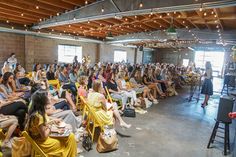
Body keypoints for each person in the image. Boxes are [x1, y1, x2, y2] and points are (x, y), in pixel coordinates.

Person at [26, 90, 77, 156]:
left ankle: (72, 154)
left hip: (42, 138)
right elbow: (44, 136)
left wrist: (56, 130)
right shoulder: (38, 116)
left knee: (71, 136)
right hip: (42, 143)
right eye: (47, 96)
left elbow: (44, 127)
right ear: (43, 101)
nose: (49, 97)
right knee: (65, 141)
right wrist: (51, 126)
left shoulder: (40, 111)